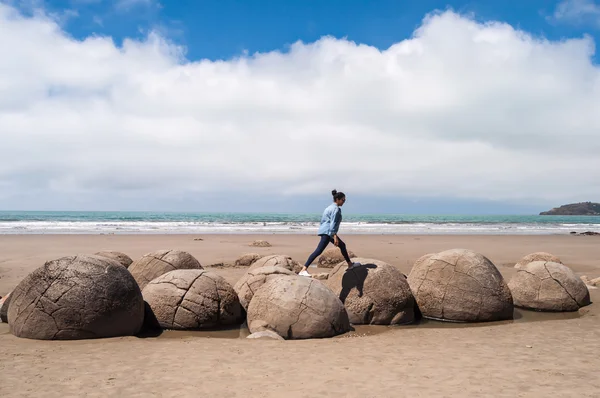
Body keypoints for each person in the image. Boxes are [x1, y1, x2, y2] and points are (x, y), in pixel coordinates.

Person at [299, 189, 360, 277]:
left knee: (342, 245)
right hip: (329, 232)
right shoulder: (336, 209)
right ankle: (304, 269)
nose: (344, 202)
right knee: (318, 250)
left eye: (345, 200)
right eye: (343, 200)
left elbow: (323, 221)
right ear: (338, 199)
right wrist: (334, 235)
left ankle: (350, 264)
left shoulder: (328, 208)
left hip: (325, 231)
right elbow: (333, 223)